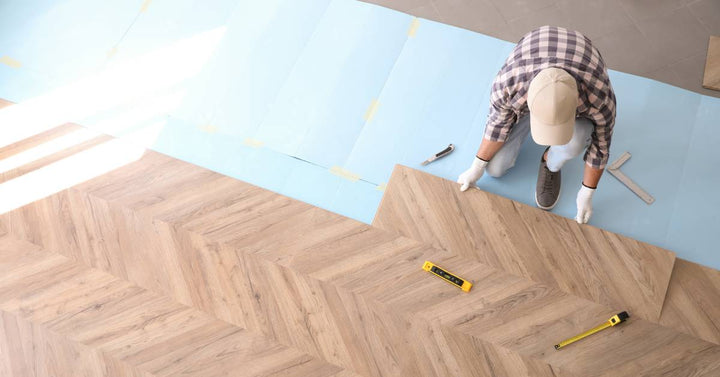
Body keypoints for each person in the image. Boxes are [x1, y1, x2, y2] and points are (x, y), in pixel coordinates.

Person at [457, 25, 616, 224]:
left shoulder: (599, 97)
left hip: (582, 59)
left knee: (574, 144)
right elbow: (497, 125)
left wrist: (587, 192)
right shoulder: (509, 84)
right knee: (495, 169)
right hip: (534, 57)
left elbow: (601, 147)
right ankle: (526, 124)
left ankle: (550, 161)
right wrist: (477, 166)